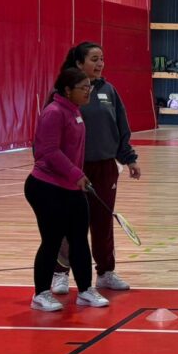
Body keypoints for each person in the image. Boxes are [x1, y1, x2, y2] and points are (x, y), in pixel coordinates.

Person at [51, 42, 141, 297]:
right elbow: (50, 136)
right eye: (94, 59)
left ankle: (105, 273)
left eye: (101, 58)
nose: (100, 64)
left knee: (103, 222)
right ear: (79, 63)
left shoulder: (108, 90)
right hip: (74, 169)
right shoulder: (65, 93)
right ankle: (60, 273)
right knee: (71, 224)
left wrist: (129, 158)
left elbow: (121, 128)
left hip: (105, 167)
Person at [26, 67, 109, 312]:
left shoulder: (75, 112)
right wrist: (76, 174)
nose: (88, 92)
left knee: (79, 240)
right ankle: (40, 294)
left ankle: (85, 290)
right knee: (51, 241)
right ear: (67, 90)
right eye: (83, 88)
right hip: (46, 187)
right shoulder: (53, 112)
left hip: (70, 187)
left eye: (89, 87)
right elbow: (49, 152)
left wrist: (76, 178)